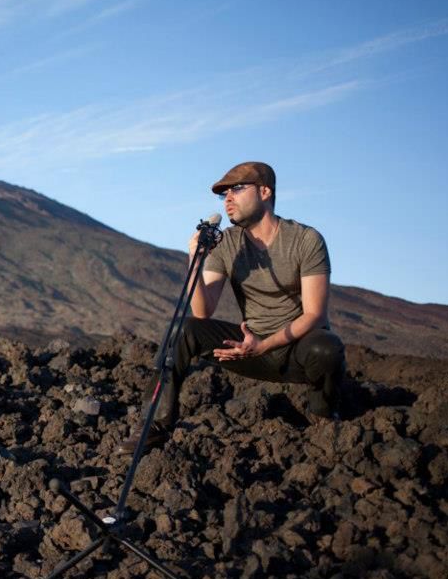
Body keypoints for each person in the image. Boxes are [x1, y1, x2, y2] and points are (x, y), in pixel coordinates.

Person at [118, 161, 346, 455]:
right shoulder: (226, 244)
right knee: (182, 330)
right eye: (223, 193)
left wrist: (264, 345)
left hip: (295, 350)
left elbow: (315, 315)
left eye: (237, 189)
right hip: (246, 348)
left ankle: (324, 420)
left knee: (328, 347)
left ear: (265, 192)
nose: (228, 198)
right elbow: (203, 311)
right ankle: (154, 426)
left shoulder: (305, 240)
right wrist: (196, 259)